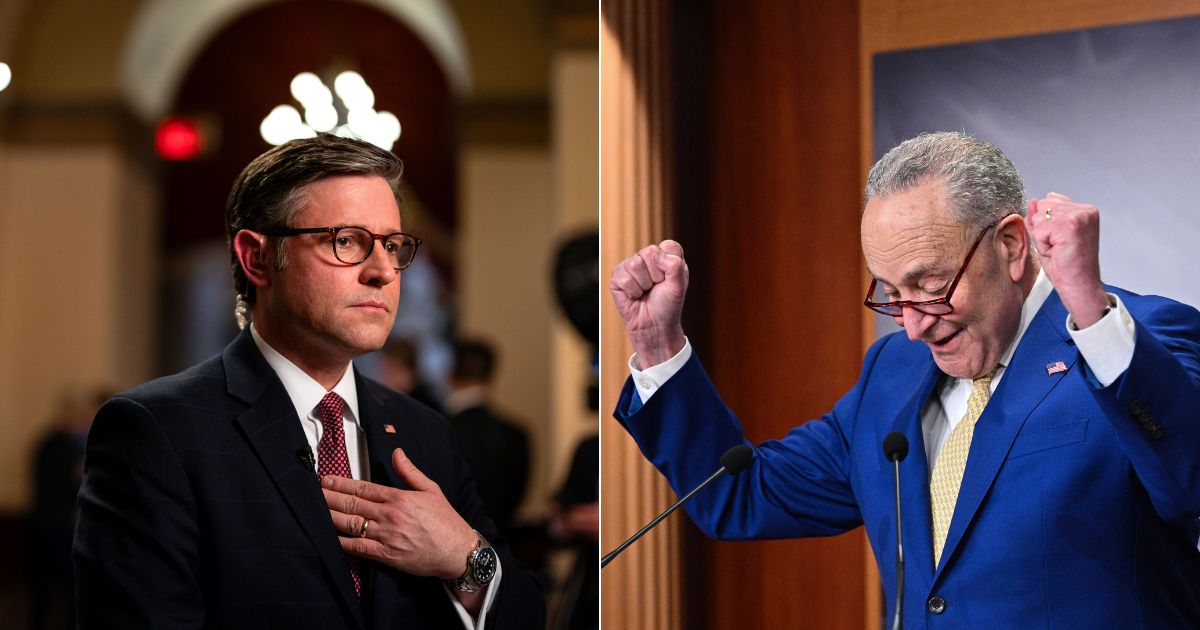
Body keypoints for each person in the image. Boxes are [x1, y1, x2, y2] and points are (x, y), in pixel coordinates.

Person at [609, 131, 1200, 626]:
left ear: (1012, 246)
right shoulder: (891, 374)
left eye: (930, 285)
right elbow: (739, 494)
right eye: (892, 293)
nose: (913, 326)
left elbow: (1191, 485)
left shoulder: (1135, 340)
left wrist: (1091, 314)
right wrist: (660, 347)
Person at [74, 134, 544, 629]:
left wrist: (463, 557)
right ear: (257, 258)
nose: (383, 271)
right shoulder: (157, 431)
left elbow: (527, 616)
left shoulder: (425, 433)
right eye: (346, 241)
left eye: (393, 244)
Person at [444, 339, 531, 539]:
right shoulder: (517, 435)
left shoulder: (438, 430)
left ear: (451, 374)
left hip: (449, 553)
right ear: (491, 377)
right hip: (503, 550)